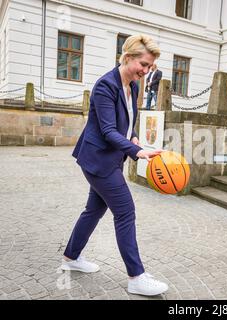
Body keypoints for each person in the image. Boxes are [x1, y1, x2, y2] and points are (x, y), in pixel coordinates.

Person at [60, 34, 169, 297]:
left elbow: (126, 123)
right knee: (125, 212)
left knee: (93, 210)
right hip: (98, 160)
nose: (145, 71)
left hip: (109, 159)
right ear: (128, 57)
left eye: (149, 67)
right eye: (143, 65)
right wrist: (137, 151)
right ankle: (136, 276)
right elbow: (108, 130)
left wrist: (133, 138)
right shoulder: (105, 86)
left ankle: (71, 258)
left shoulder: (131, 85)